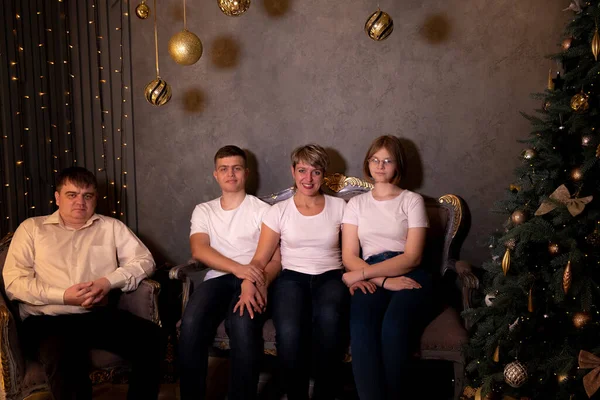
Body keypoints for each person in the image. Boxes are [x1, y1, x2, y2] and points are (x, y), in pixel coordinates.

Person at [3, 166, 163, 400]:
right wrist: (63, 295)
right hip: (46, 320)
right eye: (72, 195)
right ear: (57, 198)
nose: (80, 202)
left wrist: (107, 282)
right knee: (65, 355)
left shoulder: (111, 227)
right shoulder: (32, 228)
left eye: (87, 195)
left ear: (95, 199)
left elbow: (144, 260)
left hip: (94, 314)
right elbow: (15, 283)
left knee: (152, 338)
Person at [178, 145, 281, 400]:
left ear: (246, 172)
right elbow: (199, 250)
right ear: (216, 174)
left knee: (243, 324)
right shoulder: (204, 210)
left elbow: (276, 258)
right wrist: (238, 268)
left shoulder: (263, 211)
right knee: (191, 324)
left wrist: (256, 280)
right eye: (224, 169)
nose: (230, 174)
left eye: (236, 168)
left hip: (253, 281)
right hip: (218, 279)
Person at [249, 144, 348, 400]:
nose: (308, 178)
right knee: (290, 330)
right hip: (291, 278)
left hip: (331, 277)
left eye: (315, 172)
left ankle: (324, 394)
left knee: (330, 319)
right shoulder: (278, 211)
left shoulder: (340, 207)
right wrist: (248, 283)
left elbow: (352, 254)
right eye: (302, 170)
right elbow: (260, 258)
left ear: (324, 175)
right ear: (293, 171)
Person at [341, 135, 433, 400]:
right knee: (361, 327)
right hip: (369, 272)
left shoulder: (411, 200)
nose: (380, 166)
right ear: (368, 163)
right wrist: (381, 280)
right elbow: (349, 255)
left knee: (393, 328)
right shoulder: (356, 204)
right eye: (375, 159)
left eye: (387, 160)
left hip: (409, 274)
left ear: (397, 165)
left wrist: (365, 275)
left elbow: (413, 257)